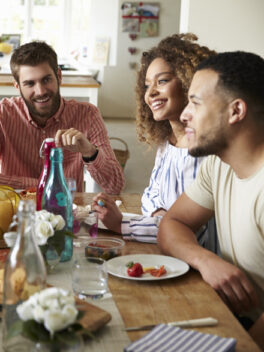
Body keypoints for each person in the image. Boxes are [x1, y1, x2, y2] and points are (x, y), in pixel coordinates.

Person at [158, 51, 264, 350]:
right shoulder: (218, 165)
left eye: (195, 102)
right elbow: (172, 223)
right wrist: (207, 261)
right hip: (233, 320)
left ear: (235, 111)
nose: (183, 114)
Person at [92, 34, 217, 251]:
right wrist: (162, 216)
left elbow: (192, 232)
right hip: (169, 252)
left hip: (201, 269)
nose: (151, 94)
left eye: (163, 81)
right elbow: (149, 197)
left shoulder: (203, 149)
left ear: (189, 82)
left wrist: (122, 224)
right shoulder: (166, 143)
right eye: (147, 85)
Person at [0, 41, 124, 194]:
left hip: (66, 213)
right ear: (17, 86)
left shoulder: (87, 115)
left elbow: (115, 186)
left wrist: (90, 152)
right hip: (13, 212)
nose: (40, 91)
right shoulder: (0, 114)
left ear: (59, 76)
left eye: (46, 80)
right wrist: (41, 185)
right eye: (30, 84)